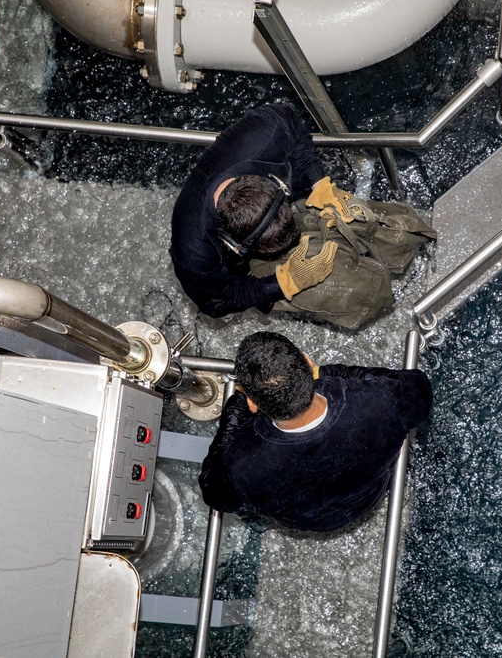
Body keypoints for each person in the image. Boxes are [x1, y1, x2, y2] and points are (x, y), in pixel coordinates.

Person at [198, 331, 433, 532]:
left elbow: (213, 493)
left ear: (253, 404)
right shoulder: (383, 401)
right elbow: (419, 388)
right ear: (309, 364)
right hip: (368, 495)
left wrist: (234, 412)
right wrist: (330, 374)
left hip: (311, 520)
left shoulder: (240, 471)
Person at [170, 103, 365, 318]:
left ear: (274, 187)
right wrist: (282, 284)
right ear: (238, 243)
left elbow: (294, 125)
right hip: (244, 269)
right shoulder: (194, 254)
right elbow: (214, 303)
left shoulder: (266, 133)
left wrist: (319, 183)